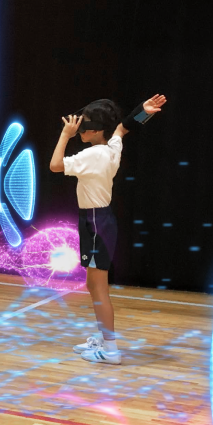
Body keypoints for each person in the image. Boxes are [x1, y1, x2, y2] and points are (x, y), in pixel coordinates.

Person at [48, 93, 167, 365]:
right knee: (93, 284)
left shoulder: (93, 155)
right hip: (97, 221)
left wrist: (65, 135)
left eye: (84, 125)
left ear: (96, 129)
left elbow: (55, 165)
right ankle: (104, 338)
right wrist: (143, 111)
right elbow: (122, 128)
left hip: (95, 223)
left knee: (99, 288)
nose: (79, 129)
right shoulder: (111, 147)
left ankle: (111, 350)